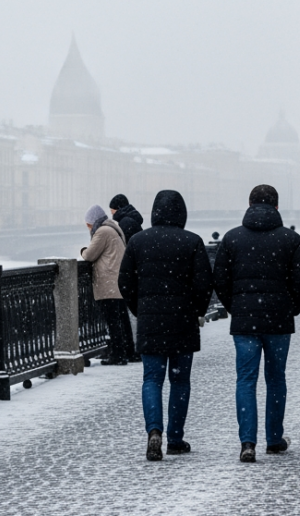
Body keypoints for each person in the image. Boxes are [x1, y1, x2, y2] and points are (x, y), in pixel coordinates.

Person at [213, 184, 300, 463]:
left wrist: (236, 307)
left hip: (245, 321)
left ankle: (247, 442)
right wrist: (290, 308)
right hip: (278, 321)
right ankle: (273, 438)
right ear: (277, 207)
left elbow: (219, 280)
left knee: (245, 380)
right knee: (276, 379)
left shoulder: (232, 239)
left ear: (249, 204)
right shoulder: (290, 239)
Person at [118, 190, 214, 461]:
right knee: (180, 380)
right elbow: (204, 284)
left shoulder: (138, 241)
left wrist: (141, 308)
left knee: (152, 378)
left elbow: (125, 282)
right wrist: (195, 310)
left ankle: (153, 432)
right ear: (182, 213)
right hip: (182, 321)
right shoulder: (192, 242)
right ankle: (175, 437)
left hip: (150, 320)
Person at [81, 205, 135, 365]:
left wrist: (82, 250)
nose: (88, 228)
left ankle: (118, 355)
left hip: (109, 282)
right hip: (118, 281)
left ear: (94, 221)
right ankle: (128, 351)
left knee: (113, 321)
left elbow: (89, 255)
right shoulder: (114, 229)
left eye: (88, 224)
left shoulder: (102, 232)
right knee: (121, 319)